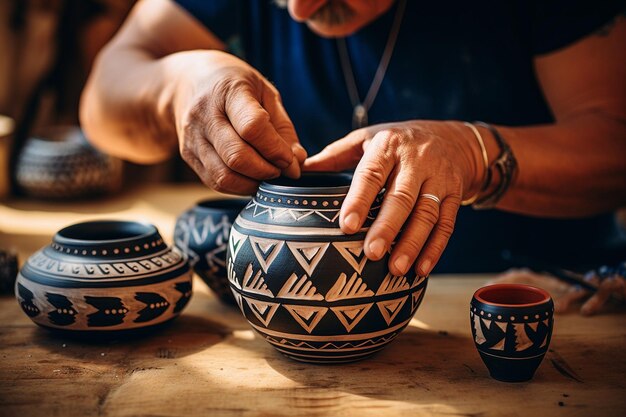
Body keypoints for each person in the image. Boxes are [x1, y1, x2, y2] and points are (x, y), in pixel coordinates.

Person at [80, 0, 626, 315]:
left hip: (545, 301)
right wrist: (177, 84)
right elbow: (103, 96)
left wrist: (475, 152)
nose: (298, 8)